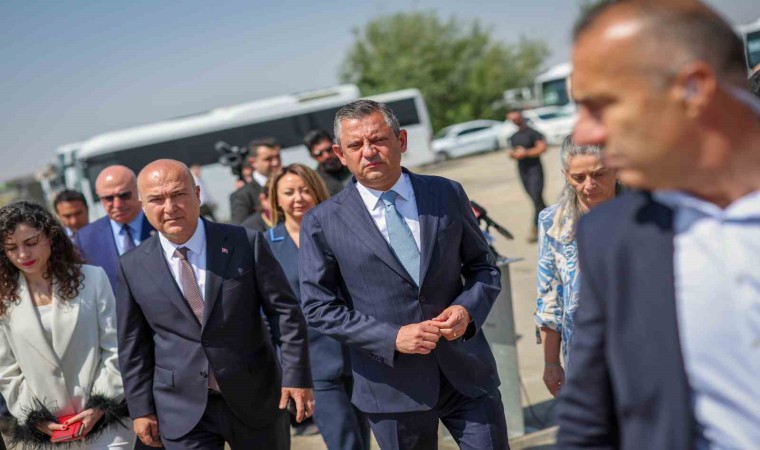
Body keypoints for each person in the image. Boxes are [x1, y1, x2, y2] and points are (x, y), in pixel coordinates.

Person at [557, 2, 760, 449]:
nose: (585, 133)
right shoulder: (614, 237)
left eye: (601, 106)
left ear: (693, 89)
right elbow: (589, 419)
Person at [299, 100, 508, 450]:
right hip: (391, 389)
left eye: (378, 139)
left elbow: (483, 267)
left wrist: (467, 310)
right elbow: (319, 308)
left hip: (467, 375)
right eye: (355, 145)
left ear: (402, 140)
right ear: (340, 154)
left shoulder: (445, 193)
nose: (369, 152)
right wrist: (391, 337)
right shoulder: (322, 221)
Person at [116, 159, 313, 450]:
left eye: (178, 194)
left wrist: (296, 376)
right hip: (181, 409)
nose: (169, 207)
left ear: (197, 194)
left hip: (254, 396)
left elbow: (285, 314)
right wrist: (141, 409)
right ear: (142, 205)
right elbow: (133, 345)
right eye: (156, 199)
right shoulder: (132, 266)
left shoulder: (244, 242)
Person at [0, 201, 134, 449]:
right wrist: (35, 418)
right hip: (48, 434)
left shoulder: (93, 279)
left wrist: (99, 405)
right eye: (11, 247)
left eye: (31, 242)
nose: (23, 254)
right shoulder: (3, 298)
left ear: (50, 236)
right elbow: (6, 371)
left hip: (106, 424)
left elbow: (115, 348)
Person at [265, 164, 370, 450]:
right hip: (312, 362)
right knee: (344, 442)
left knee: (364, 437)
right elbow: (268, 312)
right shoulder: (266, 245)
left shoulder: (340, 230)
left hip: (357, 350)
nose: (298, 198)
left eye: (304, 190)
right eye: (289, 192)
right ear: (277, 199)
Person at [534, 136, 618, 398]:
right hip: (585, 357)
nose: (589, 186)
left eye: (599, 174)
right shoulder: (553, 222)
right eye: (578, 178)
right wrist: (551, 363)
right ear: (565, 175)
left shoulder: (643, 214)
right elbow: (549, 298)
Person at [75, 165, 155, 291]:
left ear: (138, 191)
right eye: (108, 198)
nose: (117, 204)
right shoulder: (86, 239)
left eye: (124, 195)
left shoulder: (160, 224)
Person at [507, 110, 548, 243]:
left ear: (521, 117)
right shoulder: (513, 137)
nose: (515, 121)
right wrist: (514, 154)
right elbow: (510, 152)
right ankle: (554, 219)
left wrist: (526, 153)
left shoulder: (533, 133)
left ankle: (535, 229)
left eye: (516, 118)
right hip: (522, 171)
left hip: (535, 169)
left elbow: (542, 148)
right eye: (512, 119)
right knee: (536, 200)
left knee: (536, 198)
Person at [229, 138, 282, 224]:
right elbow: (240, 228)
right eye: (268, 159)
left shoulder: (293, 183)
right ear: (253, 162)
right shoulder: (242, 196)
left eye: (277, 157)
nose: (275, 162)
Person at [303, 129, 352, 196]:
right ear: (312, 156)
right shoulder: (315, 182)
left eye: (329, 150)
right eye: (319, 154)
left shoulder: (355, 166)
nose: (327, 156)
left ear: (336, 148)